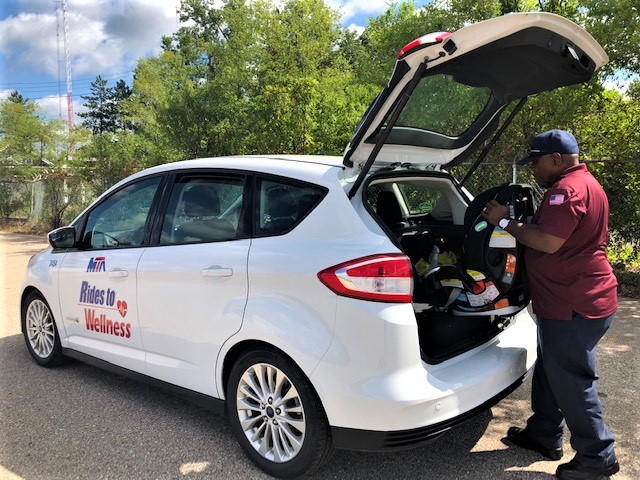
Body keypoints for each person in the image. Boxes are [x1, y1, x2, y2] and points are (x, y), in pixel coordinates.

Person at [482, 129, 619, 480]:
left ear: (556, 160)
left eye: (536, 162)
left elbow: (547, 240)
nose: (533, 170)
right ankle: (544, 433)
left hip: (574, 303)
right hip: (569, 300)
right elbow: (552, 229)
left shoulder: (567, 190)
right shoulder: (584, 183)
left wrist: (504, 221)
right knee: (551, 370)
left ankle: (598, 455)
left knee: (572, 379)